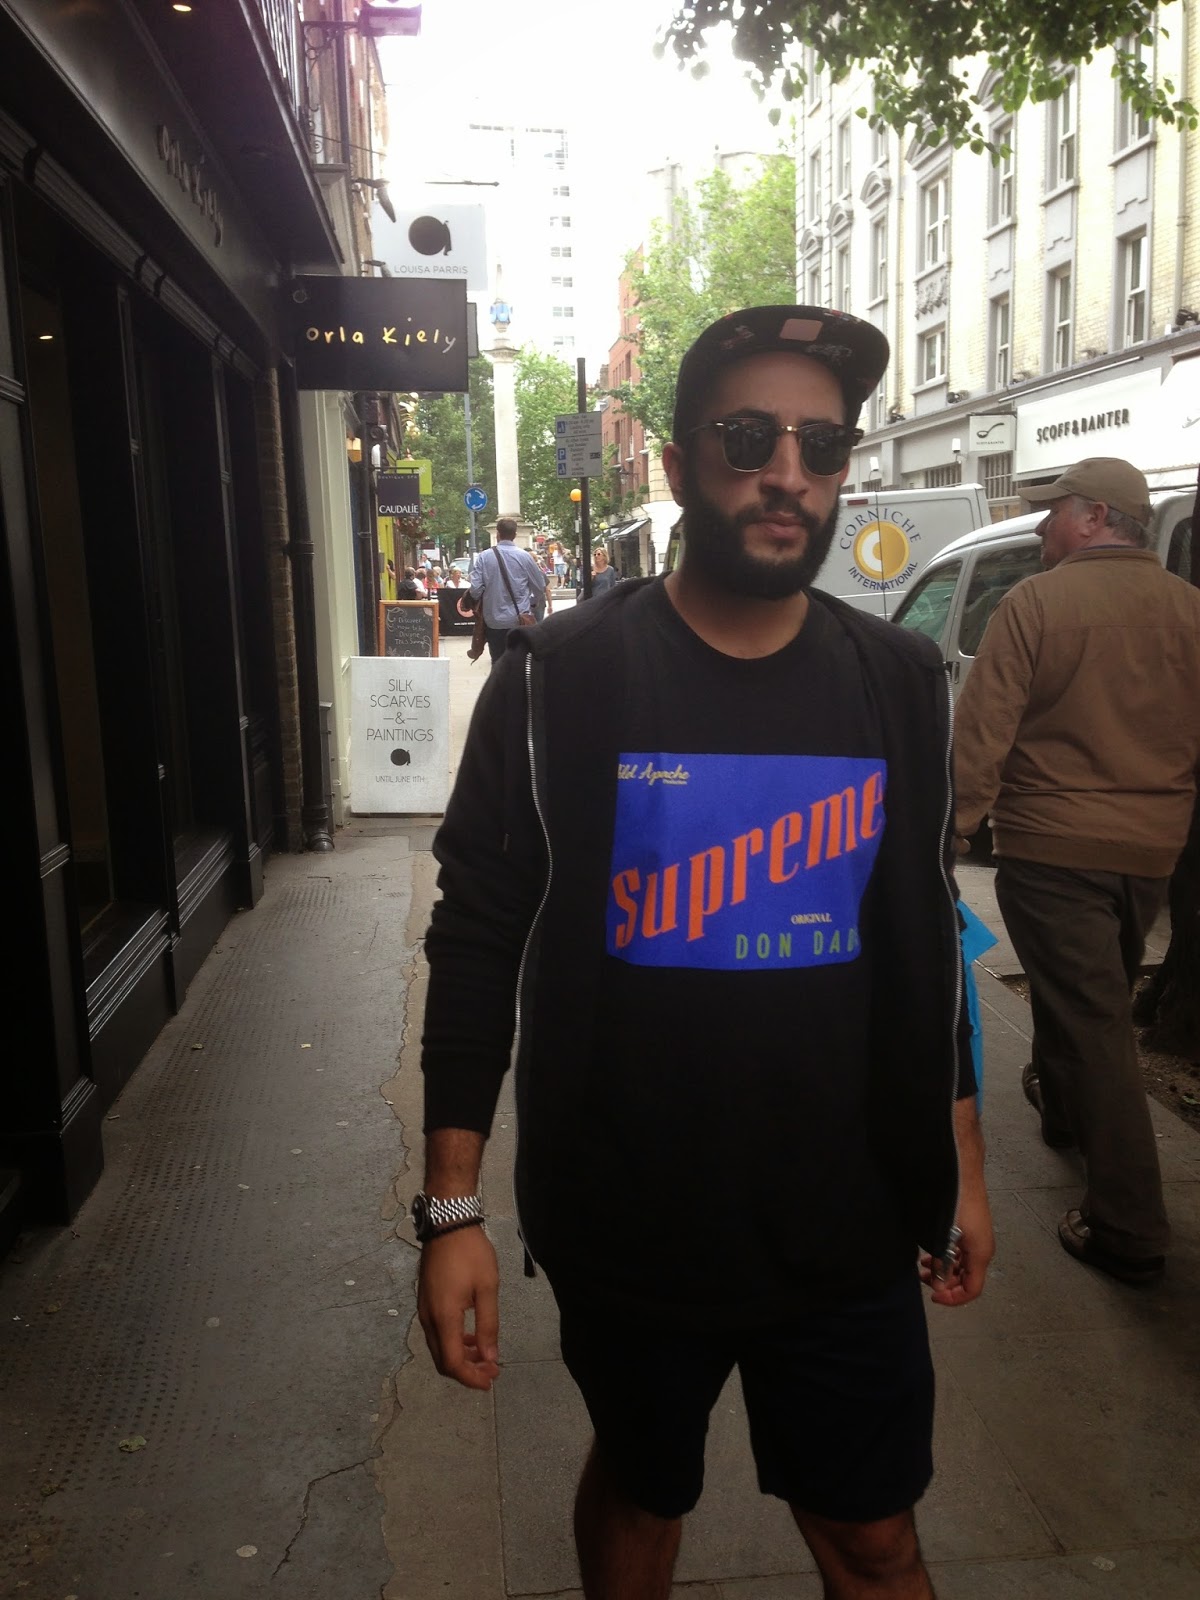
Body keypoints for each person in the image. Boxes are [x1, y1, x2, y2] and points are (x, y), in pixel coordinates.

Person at [417, 305, 992, 1600]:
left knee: (875, 1539)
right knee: (641, 1491)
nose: (788, 472)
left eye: (820, 445)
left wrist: (959, 1166)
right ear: (679, 465)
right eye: (748, 437)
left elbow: (925, 941)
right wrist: (452, 1209)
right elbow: (477, 937)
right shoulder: (558, 681)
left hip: (845, 1228)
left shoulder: (902, 683)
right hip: (631, 1227)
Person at [954, 457, 1200, 1287]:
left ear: (1095, 516)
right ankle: (1060, 1107)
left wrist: (951, 836)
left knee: (1094, 1022)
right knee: (1090, 994)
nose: (1039, 524)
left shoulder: (1035, 605)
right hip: (1151, 853)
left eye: (1053, 510)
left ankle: (1128, 1226)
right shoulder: (1190, 610)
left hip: (1053, 850)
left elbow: (981, 734)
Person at [467, 518, 548, 661]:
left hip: (493, 621)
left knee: (498, 661)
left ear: (497, 534)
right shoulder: (525, 557)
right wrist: (532, 602)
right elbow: (540, 586)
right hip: (519, 619)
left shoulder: (484, 557)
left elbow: (475, 590)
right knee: (519, 663)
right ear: (515, 534)